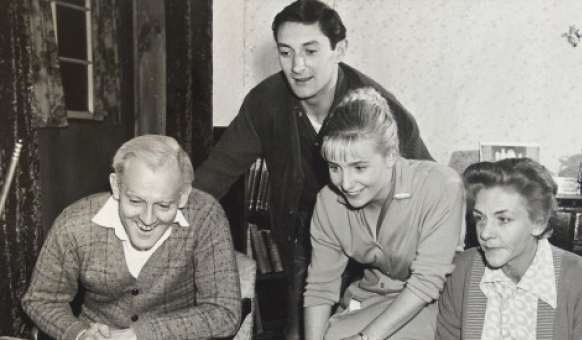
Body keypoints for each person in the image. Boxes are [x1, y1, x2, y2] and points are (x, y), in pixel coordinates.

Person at [195, 1, 432, 338]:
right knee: (300, 334)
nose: (298, 66)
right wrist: (168, 218)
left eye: (310, 50)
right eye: (286, 52)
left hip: (379, 247)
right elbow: (215, 175)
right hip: (306, 242)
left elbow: (427, 185)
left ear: (339, 50)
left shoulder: (381, 108)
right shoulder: (266, 102)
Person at [22, 135, 241, 340]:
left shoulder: (205, 216)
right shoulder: (74, 224)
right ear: (117, 187)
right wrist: (80, 334)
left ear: (183, 195)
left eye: (163, 205)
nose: (147, 219)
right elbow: (41, 299)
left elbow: (224, 312)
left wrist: (137, 335)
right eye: (135, 201)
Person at [303, 87, 465, 340]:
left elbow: (426, 283)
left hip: (434, 301)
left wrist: (365, 338)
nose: (345, 183)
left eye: (359, 167)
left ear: (390, 156)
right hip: (372, 297)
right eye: (335, 167)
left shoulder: (441, 185)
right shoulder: (328, 201)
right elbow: (320, 287)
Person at [436, 158, 582, 340]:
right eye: (480, 218)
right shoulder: (461, 271)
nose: (485, 233)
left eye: (503, 219)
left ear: (538, 223)